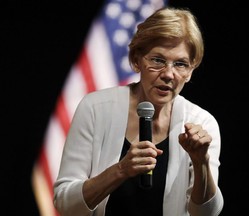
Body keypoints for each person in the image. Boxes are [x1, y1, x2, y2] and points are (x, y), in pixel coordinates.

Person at [53, 6, 224, 216]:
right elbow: (65, 203)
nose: (169, 74)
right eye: (158, 60)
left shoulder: (202, 123)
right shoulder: (95, 109)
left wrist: (201, 163)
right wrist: (121, 170)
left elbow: (207, 214)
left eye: (180, 64)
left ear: (190, 72)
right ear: (136, 60)